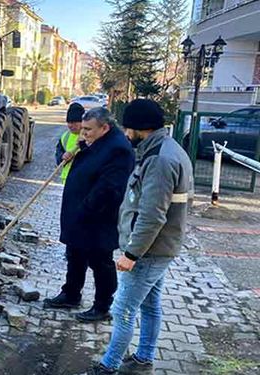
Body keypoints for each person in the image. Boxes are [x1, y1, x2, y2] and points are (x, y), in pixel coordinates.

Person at [87, 99, 193, 374]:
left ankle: (108, 366)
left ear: (139, 128)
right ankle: (144, 358)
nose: (124, 133)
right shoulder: (163, 148)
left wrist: (132, 254)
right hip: (159, 247)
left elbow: (152, 215)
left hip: (149, 250)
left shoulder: (159, 159)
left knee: (123, 307)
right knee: (150, 304)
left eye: (127, 128)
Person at [45, 107, 135, 322]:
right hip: (80, 214)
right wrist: (83, 146)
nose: (83, 133)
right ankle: (71, 294)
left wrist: (86, 209)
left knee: (100, 261)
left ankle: (102, 306)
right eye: (82, 129)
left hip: (97, 218)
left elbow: (110, 188)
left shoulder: (118, 149)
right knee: (75, 255)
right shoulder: (96, 142)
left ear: (104, 127)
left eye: (88, 129)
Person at [55, 103, 85, 184]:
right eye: (69, 122)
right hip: (67, 179)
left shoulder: (89, 136)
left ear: (82, 122)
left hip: (83, 180)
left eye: (75, 122)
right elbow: (58, 156)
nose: (71, 125)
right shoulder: (65, 137)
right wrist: (62, 156)